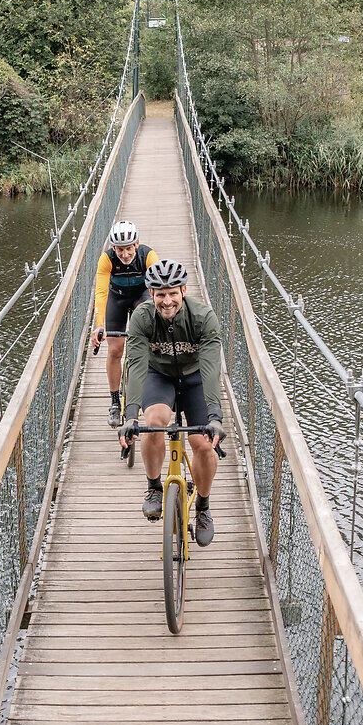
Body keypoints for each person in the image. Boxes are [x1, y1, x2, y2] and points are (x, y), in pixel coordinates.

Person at [121, 257, 224, 546]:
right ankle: (154, 487)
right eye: (160, 295)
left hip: (195, 378)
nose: (167, 301)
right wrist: (130, 416)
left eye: (172, 294)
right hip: (159, 375)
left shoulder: (203, 318)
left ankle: (203, 506)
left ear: (184, 291)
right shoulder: (142, 318)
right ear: (151, 294)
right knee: (154, 422)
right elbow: (136, 366)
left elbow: (211, 368)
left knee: (203, 443)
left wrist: (215, 416)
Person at [90, 221, 157, 427]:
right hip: (117, 298)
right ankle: (114, 402)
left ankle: (147, 390)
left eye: (129, 248)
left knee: (146, 343)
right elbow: (101, 292)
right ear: (113, 247)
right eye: (120, 249)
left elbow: (158, 288)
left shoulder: (148, 255)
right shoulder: (107, 259)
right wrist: (99, 325)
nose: (125, 254)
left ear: (136, 244)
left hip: (141, 296)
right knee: (115, 350)